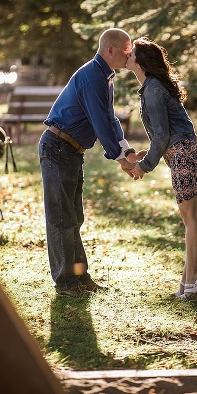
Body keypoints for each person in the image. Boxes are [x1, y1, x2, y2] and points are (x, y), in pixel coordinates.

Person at [40, 28, 138, 296]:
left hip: (71, 151)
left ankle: (80, 279)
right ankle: (66, 283)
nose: (129, 55)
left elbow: (110, 119)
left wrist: (126, 152)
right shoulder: (93, 77)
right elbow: (99, 122)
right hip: (57, 148)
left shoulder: (105, 76)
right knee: (62, 219)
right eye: (126, 50)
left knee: (74, 218)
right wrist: (118, 158)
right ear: (110, 50)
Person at [125, 37, 197, 300]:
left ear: (140, 62)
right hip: (186, 149)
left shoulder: (152, 89)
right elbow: (163, 134)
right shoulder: (153, 86)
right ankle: (187, 283)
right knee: (191, 218)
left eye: (132, 52)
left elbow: (163, 136)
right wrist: (147, 153)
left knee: (191, 219)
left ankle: (193, 283)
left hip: (183, 152)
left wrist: (144, 166)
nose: (127, 54)